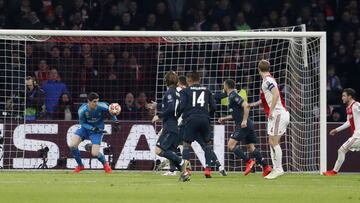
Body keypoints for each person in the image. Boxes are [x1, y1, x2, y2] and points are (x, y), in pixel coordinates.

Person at [218, 79, 272, 177]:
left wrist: (244, 121)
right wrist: (224, 118)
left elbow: (246, 106)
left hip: (243, 125)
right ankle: (266, 167)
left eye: (223, 86)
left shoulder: (234, 96)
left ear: (226, 87)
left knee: (230, 145)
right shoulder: (231, 97)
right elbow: (236, 114)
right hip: (248, 124)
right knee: (251, 148)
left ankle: (248, 162)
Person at [248, 59, 290, 179]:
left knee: (273, 142)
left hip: (277, 114)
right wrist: (254, 104)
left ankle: (278, 169)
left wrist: (270, 111)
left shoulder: (267, 80)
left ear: (258, 69)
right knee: (272, 142)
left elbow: (276, 93)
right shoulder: (268, 80)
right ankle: (276, 169)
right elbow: (266, 98)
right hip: (278, 114)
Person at [177, 71, 218, 181]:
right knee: (207, 144)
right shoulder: (207, 90)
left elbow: (182, 106)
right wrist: (208, 115)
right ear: (199, 79)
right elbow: (214, 107)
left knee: (186, 144)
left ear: (189, 80)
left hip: (191, 119)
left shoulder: (185, 91)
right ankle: (208, 169)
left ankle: (187, 170)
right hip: (204, 119)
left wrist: (181, 116)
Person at [68, 92, 119, 173]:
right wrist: (92, 128)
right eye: (94, 101)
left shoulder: (102, 106)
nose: (96, 103)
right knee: (72, 145)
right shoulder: (82, 110)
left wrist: (116, 122)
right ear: (89, 101)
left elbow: (111, 112)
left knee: (95, 153)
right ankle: (80, 166)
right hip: (85, 128)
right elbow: (82, 123)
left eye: (97, 101)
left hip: (97, 130)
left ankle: (105, 164)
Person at [149, 71, 186, 178]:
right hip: (174, 125)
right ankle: (181, 172)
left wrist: (159, 116)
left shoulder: (169, 92)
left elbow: (170, 108)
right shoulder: (177, 93)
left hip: (169, 126)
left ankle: (181, 162)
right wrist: (158, 105)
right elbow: (177, 108)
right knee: (169, 151)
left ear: (166, 81)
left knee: (159, 150)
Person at [323, 88, 360, 176]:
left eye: (344, 96)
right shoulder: (349, 107)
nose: (342, 98)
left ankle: (334, 171)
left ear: (349, 97)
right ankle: (334, 171)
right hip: (356, 135)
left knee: (342, 150)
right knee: (342, 150)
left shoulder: (356, 105)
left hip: (358, 135)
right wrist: (337, 130)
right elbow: (348, 122)